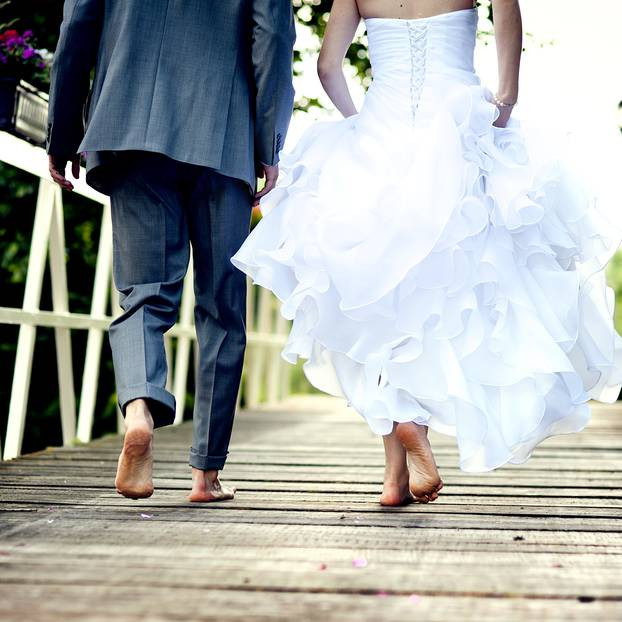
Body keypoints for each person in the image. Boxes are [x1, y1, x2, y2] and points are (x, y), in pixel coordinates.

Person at [232, 0, 622, 505]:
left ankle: (394, 473)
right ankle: (407, 436)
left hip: (381, 137)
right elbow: (509, 15)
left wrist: (357, 122)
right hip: (457, 133)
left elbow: (328, 67)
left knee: (384, 303)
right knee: (439, 301)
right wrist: (505, 99)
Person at [46, 0, 296, 501]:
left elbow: (76, 25)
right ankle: (206, 473)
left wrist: (64, 132)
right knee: (222, 307)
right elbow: (271, 35)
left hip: (129, 125)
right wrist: (269, 143)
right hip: (223, 135)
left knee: (144, 294)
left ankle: (140, 408)